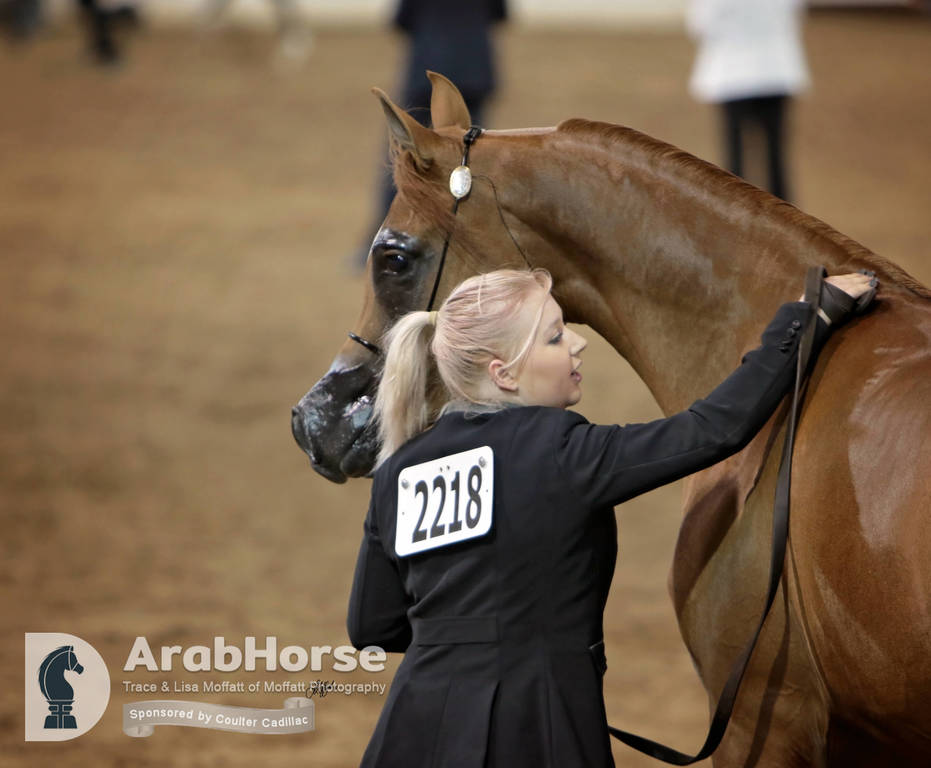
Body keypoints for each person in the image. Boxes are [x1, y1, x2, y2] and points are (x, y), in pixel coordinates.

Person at [348, 267, 876, 767]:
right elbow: (712, 430)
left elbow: (374, 626)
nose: (577, 343)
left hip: (413, 729)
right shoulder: (558, 449)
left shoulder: (399, 470)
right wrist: (805, 319)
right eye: (555, 337)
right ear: (502, 373)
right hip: (540, 727)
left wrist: (465, 647)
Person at [352, 0, 507, 268]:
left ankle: (382, 241)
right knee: (472, 159)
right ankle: (479, 245)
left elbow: (401, 20)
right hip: (473, 70)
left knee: (404, 155)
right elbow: (500, 14)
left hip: (428, 70)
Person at [686, 0, 809, 202]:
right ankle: (786, 219)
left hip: (732, 74)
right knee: (775, 154)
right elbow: (796, 14)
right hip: (776, 70)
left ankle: (734, 211)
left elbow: (700, 24)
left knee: (735, 155)